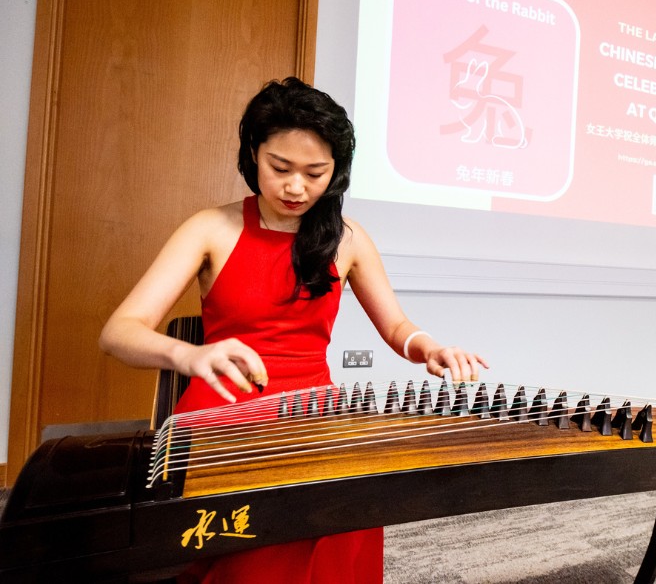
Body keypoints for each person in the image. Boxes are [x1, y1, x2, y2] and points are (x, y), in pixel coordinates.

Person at [99, 76, 488, 583]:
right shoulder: (210, 228)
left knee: (350, 507)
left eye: (315, 173)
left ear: (336, 173)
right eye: (280, 168)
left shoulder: (346, 239)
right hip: (224, 408)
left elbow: (394, 324)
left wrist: (427, 347)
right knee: (260, 526)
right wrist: (190, 356)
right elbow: (119, 332)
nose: (296, 187)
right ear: (253, 156)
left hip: (312, 411)